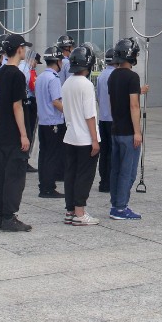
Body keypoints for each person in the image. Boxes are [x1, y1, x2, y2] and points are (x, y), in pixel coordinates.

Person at [0, 33, 33, 232]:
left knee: (2, 174)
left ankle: (0, 216)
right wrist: (23, 135)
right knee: (15, 176)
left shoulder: (0, 73)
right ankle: (10, 216)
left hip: (1, 132)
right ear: (19, 49)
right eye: (23, 48)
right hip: (13, 133)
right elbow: (17, 106)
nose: (25, 51)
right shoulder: (17, 75)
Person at [107, 37, 146, 220]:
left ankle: (115, 204)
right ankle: (121, 208)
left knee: (116, 170)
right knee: (128, 172)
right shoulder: (132, 77)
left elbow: (113, 102)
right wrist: (137, 132)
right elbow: (134, 105)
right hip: (129, 132)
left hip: (116, 128)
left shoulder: (112, 76)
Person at [61, 44, 100, 226]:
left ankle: (70, 211)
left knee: (71, 174)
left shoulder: (67, 83)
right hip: (85, 139)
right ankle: (80, 213)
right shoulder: (86, 85)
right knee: (84, 176)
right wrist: (95, 140)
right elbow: (89, 115)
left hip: (70, 137)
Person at [36, 46, 66, 198]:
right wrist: (70, 113)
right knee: (52, 156)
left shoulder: (41, 77)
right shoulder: (54, 78)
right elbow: (56, 101)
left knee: (44, 155)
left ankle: (44, 185)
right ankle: (48, 187)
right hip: (53, 122)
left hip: (43, 122)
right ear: (58, 62)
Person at [95, 49, 115, 193]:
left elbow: (98, 96)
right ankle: (110, 181)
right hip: (113, 119)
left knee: (104, 152)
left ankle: (103, 182)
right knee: (112, 153)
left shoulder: (101, 75)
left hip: (103, 118)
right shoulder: (115, 75)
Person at [19, 47, 40, 174]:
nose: (36, 65)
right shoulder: (28, 71)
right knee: (29, 131)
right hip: (29, 103)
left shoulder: (21, 67)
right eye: (36, 62)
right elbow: (34, 87)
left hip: (23, 102)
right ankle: (24, 160)